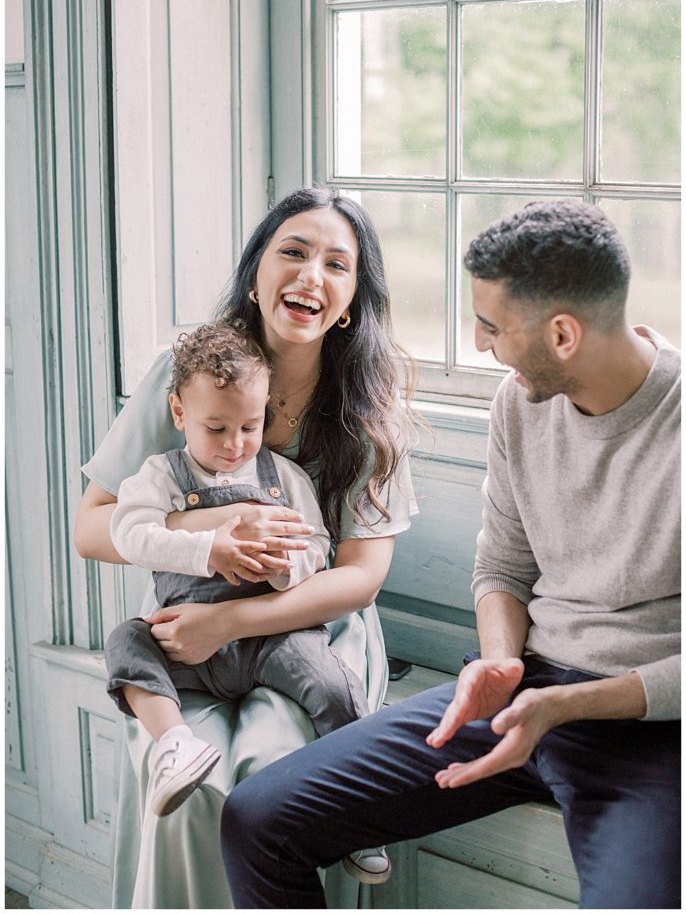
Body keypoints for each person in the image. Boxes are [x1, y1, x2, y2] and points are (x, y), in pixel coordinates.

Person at [220, 199, 680, 911]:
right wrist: (500, 663)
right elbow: (502, 564)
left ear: (562, 334)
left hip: (651, 735)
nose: (478, 340)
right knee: (258, 820)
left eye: (493, 327)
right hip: (523, 689)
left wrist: (569, 704)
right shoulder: (519, 403)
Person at [74, 187, 417, 907]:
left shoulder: (366, 405)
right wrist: (210, 536)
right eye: (291, 252)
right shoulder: (189, 373)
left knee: (267, 783)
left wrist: (228, 623)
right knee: (190, 794)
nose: (310, 275)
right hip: (181, 623)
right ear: (256, 272)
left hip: (312, 630)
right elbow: (92, 525)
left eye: (336, 264)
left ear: (352, 298)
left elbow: (360, 577)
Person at [105, 322, 374, 828]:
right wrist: (208, 550)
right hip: (185, 641)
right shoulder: (161, 476)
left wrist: (285, 568)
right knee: (126, 644)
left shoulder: (283, 479)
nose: (235, 445)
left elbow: (318, 545)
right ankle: (175, 746)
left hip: (269, 637)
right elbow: (128, 533)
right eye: (217, 429)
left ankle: (361, 808)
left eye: (250, 427)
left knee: (331, 681)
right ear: (180, 413)